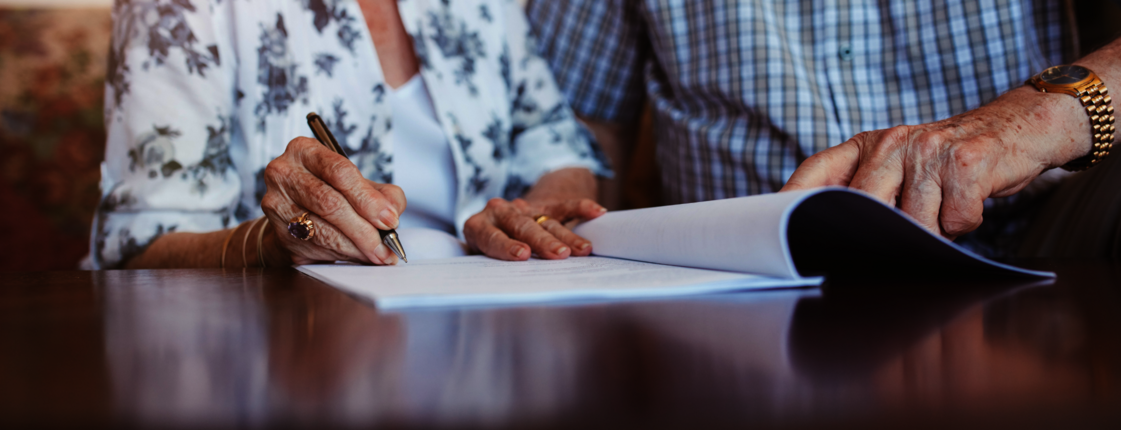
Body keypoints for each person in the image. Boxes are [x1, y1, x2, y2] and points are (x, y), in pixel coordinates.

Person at [529, 0, 1121, 258]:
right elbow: (581, 133)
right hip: (744, 291)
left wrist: (1033, 121)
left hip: (1045, 256)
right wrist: (552, 211)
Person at [91, 0, 611, 269]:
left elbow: (552, 137)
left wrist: (533, 217)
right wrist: (272, 246)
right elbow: (139, 244)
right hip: (289, 343)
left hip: (490, 326)